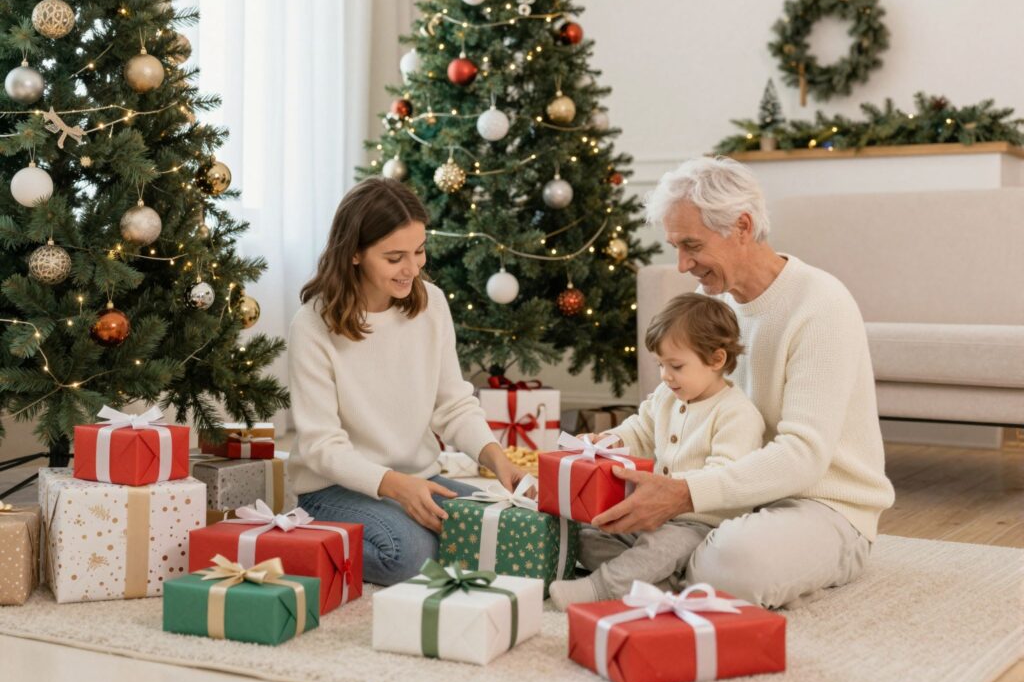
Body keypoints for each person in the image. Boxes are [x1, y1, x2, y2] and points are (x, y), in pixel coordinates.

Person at [590, 157, 895, 609]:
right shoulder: (709, 302)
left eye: (692, 245)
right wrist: (612, 442)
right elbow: (665, 402)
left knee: (730, 566)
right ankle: (668, 565)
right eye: (675, 246)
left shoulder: (820, 305)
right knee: (596, 525)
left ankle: (666, 566)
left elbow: (803, 456)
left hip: (820, 506)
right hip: (729, 503)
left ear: (742, 227)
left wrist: (685, 495)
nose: (682, 264)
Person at [286, 177, 526, 585]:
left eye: (419, 251)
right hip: (333, 488)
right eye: (395, 257)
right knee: (407, 555)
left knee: (507, 527)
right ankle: (305, 539)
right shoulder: (312, 325)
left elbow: (453, 404)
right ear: (355, 253)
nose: (412, 269)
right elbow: (321, 447)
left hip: (418, 478)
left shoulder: (432, 304)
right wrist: (395, 487)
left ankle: (421, 534)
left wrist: (496, 458)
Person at [548, 292, 765, 610]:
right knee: (590, 532)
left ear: (716, 360)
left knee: (658, 548)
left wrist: (672, 494)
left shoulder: (737, 414)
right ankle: (657, 583)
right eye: (661, 364)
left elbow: (724, 476)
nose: (665, 375)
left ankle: (601, 588)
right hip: (651, 511)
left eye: (675, 365)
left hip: (698, 523)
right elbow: (639, 430)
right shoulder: (666, 395)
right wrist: (609, 441)